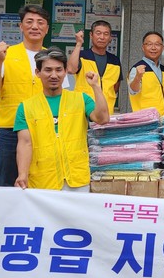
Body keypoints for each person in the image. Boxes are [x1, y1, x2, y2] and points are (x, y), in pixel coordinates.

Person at [0, 5, 68, 187]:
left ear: (47, 28)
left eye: (40, 22)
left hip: (46, 129)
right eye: (29, 22)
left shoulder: (53, 58)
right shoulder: (5, 55)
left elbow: (62, 97)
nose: (35, 26)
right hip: (11, 130)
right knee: (8, 185)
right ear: (21, 26)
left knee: (45, 183)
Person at [14, 47, 109, 191]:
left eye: (59, 70)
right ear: (38, 73)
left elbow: (103, 118)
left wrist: (96, 86)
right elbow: (25, 143)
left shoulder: (81, 99)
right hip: (42, 181)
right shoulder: (25, 107)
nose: (54, 75)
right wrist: (22, 174)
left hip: (77, 179)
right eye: (48, 70)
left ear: (65, 72)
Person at [67, 20, 122, 115]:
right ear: (91, 35)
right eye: (98, 33)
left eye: (106, 34)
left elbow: (116, 87)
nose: (102, 37)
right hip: (83, 110)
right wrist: (79, 44)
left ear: (110, 38)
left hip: (106, 113)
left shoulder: (115, 60)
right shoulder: (82, 55)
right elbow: (71, 69)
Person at [128, 31, 164, 116]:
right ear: (143, 47)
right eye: (149, 44)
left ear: (162, 48)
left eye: (157, 44)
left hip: (163, 118)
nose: (153, 48)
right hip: (145, 119)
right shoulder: (136, 68)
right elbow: (133, 91)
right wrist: (138, 77)